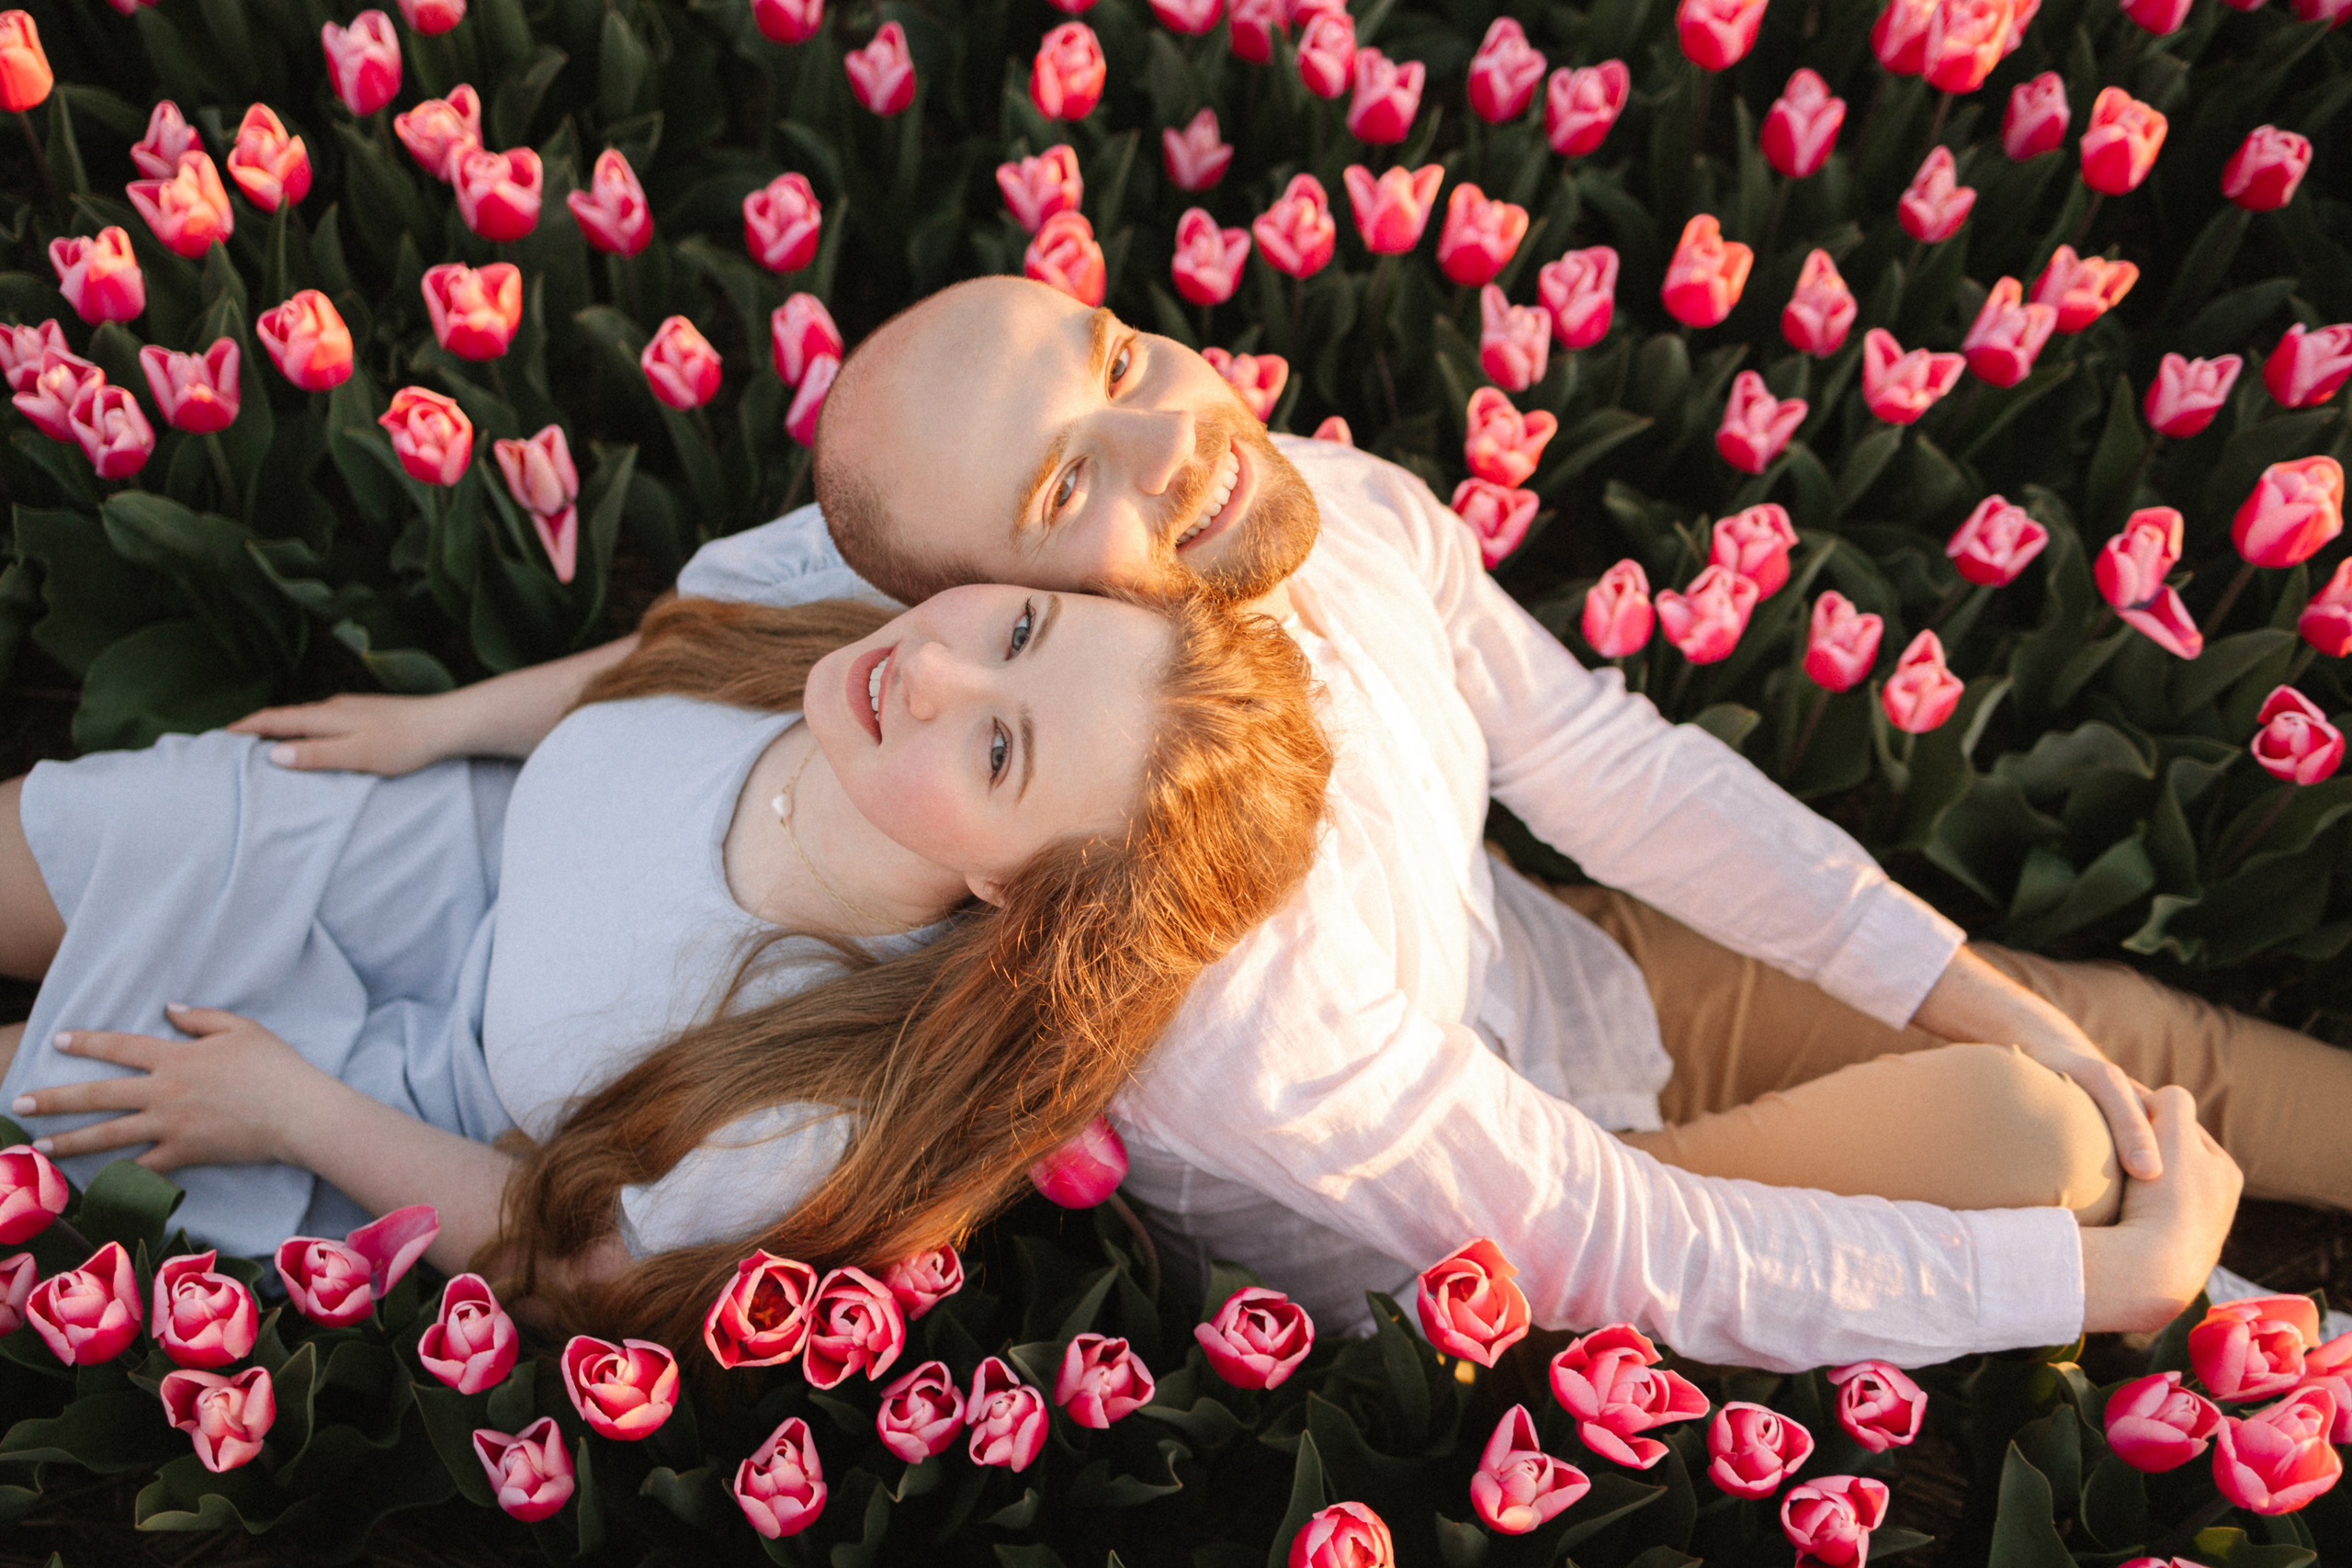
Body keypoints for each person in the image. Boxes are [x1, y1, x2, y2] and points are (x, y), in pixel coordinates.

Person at [187, 276, 2348, 1371]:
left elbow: (1605, 763)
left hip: (1568, 972)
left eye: (1120, 353)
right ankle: (2271, 1338)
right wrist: (2101, 1282)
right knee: (2044, 1155)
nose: (1174, 437)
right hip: (1526, 1196)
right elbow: (1616, 1241)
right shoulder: (1236, 994)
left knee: (2099, 1027)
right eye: (1063, 496)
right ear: (966, 607)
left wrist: (447, 714)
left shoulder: (1324, 518)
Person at [0, 584, 1332, 1351]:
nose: (933, 665)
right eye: (1025, 629)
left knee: (52, 1088)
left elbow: (571, 1267)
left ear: (1013, 897)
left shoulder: (812, 1104)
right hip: (427, 841)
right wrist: (436, 722)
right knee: (83, 837)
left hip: (410, 1106)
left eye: (999, 750)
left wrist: (289, 1111)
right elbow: (655, 660)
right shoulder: (846, 662)